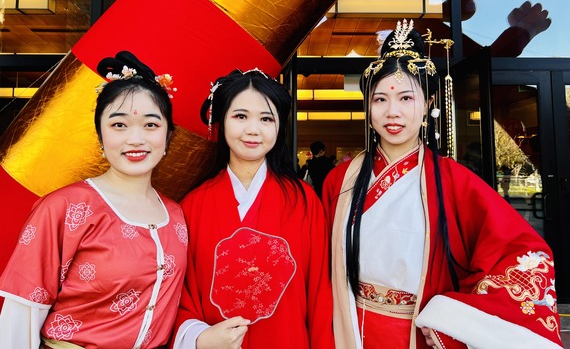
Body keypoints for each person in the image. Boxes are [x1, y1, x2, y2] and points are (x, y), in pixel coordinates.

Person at [322, 20, 563, 349]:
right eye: (380, 100)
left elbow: (524, 253)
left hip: (419, 333)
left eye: (406, 98)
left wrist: (454, 319)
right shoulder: (341, 179)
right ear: (368, 107)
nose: (393, 112)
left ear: (428, 103)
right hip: (347, 326)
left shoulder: (454, 181)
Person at [0, 51, 188, 348]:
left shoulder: (176, 216)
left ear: (168, 136)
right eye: (119, 125)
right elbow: (23, 313)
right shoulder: (65, 207)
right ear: (100, 136)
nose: (135, 139)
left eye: (151, 125)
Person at [171, 69, 334, 349]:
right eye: (240, 116)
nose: (253, 130)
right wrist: (199, 338)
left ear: (279, 125)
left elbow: (320, 295)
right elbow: (179, 296)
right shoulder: (192, 206)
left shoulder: (305, 202)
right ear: (221, 121)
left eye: (266, 119)